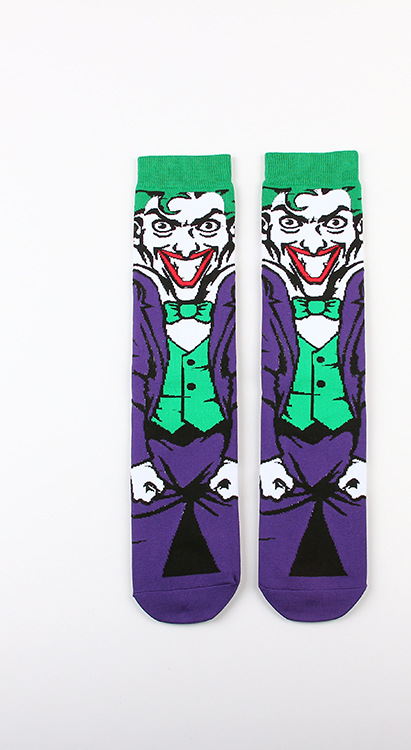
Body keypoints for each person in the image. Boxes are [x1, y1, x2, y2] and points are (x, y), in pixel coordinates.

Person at [131, 189, 237, 577]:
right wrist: (140, 462)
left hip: (217, 444)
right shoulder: (143, 299)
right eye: (164, 227)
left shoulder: (231, 298)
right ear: (140, 231)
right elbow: (139, 387)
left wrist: (232, 459)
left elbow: (238, 384)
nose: (186, 247)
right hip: (157, 446)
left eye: (206, 227)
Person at [260, 186, 366, 576]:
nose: (313, 243)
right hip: (285, 443)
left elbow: (360, 383)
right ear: (267, 228)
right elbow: (263, 388)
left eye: (334, 223)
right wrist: (268, 456)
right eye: (291, 223)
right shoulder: (269, 295)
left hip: (344, 443)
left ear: (356, 228)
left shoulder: (355, 297)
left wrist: (359, 459)